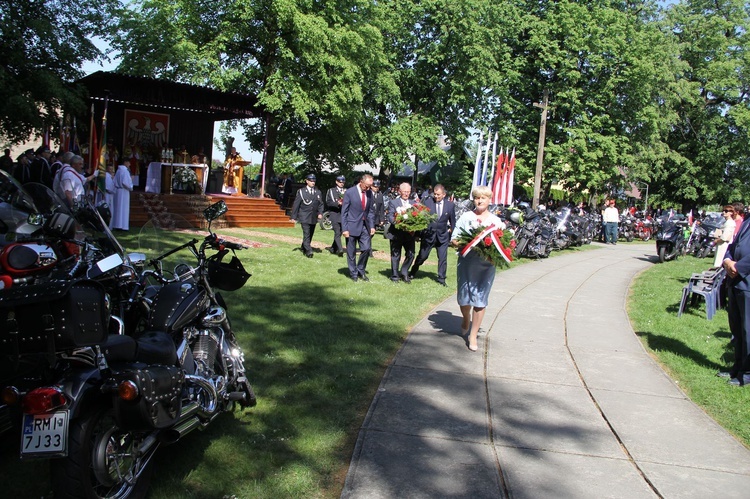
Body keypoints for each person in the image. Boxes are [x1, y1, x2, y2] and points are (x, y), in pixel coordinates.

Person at [450, 185, 506, 352]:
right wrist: (466, 242)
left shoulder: (496, 221)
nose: (480, 200)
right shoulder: (466, 217)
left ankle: (472, 335)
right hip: (467, 262)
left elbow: (503, 244)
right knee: (464, 298)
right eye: (477, 198)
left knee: (480, 300)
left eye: (483, 198)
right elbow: (454, 239)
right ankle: (466, 317)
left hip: (486, 265)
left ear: (490, 200)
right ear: (473, 200)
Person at [721, 213, 750, 386]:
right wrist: (727, 260)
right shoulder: (747, 219)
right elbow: (734, 244)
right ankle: (737, 367)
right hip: (736, 281)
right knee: (737, 330)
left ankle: (747, 373)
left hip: (746, 281)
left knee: (748, 331)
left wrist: (738, 267)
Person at [409, 184, 455, 286]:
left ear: (444, 194)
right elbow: (420, 219)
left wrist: (453, 237)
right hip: (428, 235)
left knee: (443, 258)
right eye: (435, 194)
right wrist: (417, 234)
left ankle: (441, 279)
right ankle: (413, 271)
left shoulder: (450, 205)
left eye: (438, 194)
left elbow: (453, 222)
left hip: (442, 237)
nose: (436, 196)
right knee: (422, 256)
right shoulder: (427, 202)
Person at [341, 173, 376, 281]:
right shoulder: (350, 192)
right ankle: (353, 274)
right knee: (351, 252)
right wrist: (345, 229)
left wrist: (372, 226)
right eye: (366, 186)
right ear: (361, 182)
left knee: (366, 249)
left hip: (365, 226)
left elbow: (370, 211)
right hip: (351, 226)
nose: (368, 188)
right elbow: (344, 212)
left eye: (370, 186)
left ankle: (361, 269)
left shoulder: (369, 193)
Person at [386, 182, 417, 283]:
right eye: (404, 192)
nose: (406, 194)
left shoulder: (413, 203)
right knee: (396, 255)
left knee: (411, 254)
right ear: (400, 191)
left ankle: (404, 272)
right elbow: (390, 215)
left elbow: (417, 216)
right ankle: (395, 275)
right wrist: (396, 222)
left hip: (409, 234)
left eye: (408, 192)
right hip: (396, 233)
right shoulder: (393, 202)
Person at [290, 174, 324, 258]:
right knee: (306, 233)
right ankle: (309, 251)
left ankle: (304, 247)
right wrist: (293, 217)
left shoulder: (317, 192)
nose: (313, 182)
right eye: (311, 181)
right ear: (307, 181)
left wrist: (320, 213)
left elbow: (320, 204)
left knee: (311, 233)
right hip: (304, 216)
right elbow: (296, 204)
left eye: (314, 181)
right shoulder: (301, 191)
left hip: (313, 216)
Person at [325, 175, 347, 255]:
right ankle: (340, 249)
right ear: (336, 182)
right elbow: (328, 202)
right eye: (340, 182)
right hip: (334, 213)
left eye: (343, 182)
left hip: (342, 214)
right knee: (337, 232)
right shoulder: (331, 191)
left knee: (340, 232)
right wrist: (337, 203)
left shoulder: (346, 191)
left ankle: (333, 248)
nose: (342, 183)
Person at [112, 160, 134, 231]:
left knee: (118, 208)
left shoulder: (118, 170)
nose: (130, 164)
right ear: (125, 162)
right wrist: (130, 186)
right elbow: (125, 182)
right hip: (124, 191)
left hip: (118, 191)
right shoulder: (125, 171)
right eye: (129, 162)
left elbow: (115, 181)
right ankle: (122, 226)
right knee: (123, 208)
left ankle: (117, 224)